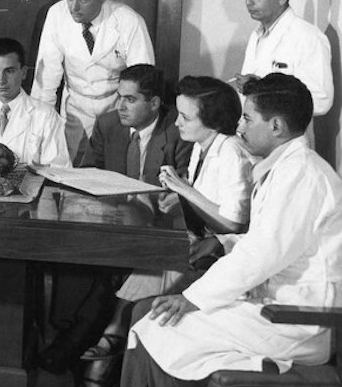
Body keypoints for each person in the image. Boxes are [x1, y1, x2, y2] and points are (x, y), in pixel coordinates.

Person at [122, 73, 342, 386]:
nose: (238, 127)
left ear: (276, 126)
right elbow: (266, 242)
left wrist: (193, 297)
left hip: (298, 319)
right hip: (273, 305)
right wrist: (227, 246)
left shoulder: (303, 174)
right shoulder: (286, 168)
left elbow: (262, 254)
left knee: (157, 325)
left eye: (248, 119)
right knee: (153, 322)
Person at [80, 76, 252, 384]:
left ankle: (110, 344)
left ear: (211, 121)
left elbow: (234, 223)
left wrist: (185, 191)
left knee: (149, 268)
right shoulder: (201, 147)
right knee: (143, 257)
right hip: (198, 244)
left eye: (186, 117)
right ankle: (111, 342)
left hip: (222, 257)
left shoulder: (231, 152)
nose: (178, 123)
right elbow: (205, 206)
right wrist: (178, 198)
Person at [38, 64, 192, 375]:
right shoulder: (108, 124)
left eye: (130, 99)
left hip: (159, 231)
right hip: (112, 224)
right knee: (73, 256)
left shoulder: (179, 130)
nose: (120, 105)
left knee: (115, 269)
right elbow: (87, 175)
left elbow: (187, 187)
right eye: (118, 97)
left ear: (155, 103)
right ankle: (88, 340)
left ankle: (76, 348)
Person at [32, 0, 155, 163]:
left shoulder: (128, 21)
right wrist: (40, 127)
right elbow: (46, 77)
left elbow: (144, 81)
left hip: (117, 111)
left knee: (114, 174)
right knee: (73, 174)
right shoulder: (57, 14)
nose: (74, 7)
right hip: (75, 112)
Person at [234, 0, 332, 117]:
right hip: (251, 134)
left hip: (283, 139)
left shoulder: (308, 37)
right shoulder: (257, 35)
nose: (249, 1)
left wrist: (263, 89)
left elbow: (321, 101)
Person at [0, 37, 70, 167]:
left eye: (9, 71)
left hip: (27, 187)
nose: (1, 80)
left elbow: (58, 171)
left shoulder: (46, 116)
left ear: (23, 73)